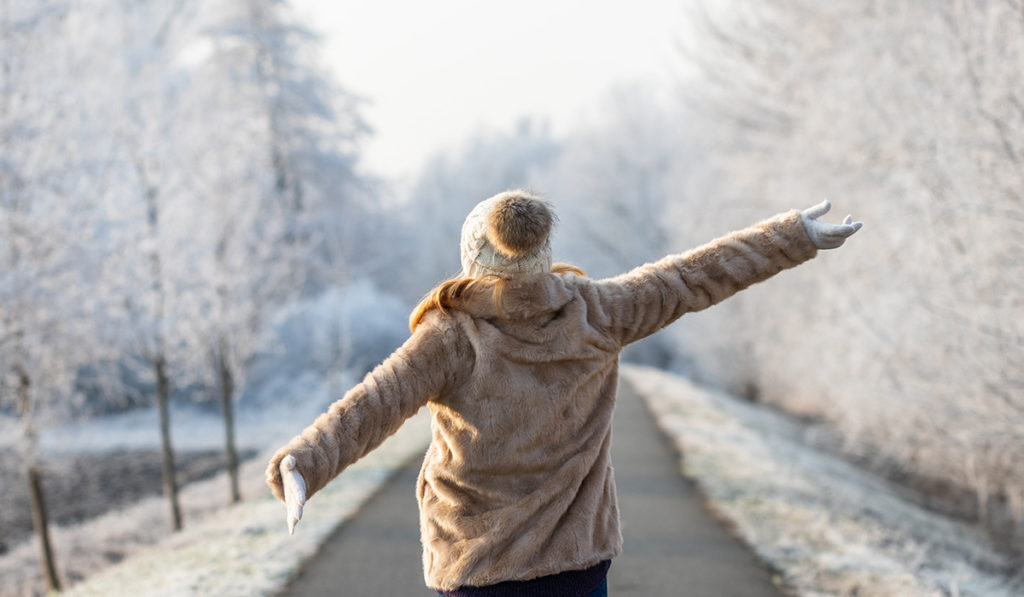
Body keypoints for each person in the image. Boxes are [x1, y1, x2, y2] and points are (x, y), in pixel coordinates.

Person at [266, 190, 862, 596]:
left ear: (474, 259)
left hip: (474, 562)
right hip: (576, 562)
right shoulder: (600, 311)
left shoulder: (450, 336)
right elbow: (693, 276)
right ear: (541, 254)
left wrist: (304, 462)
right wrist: (792, 236)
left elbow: (374, 404)